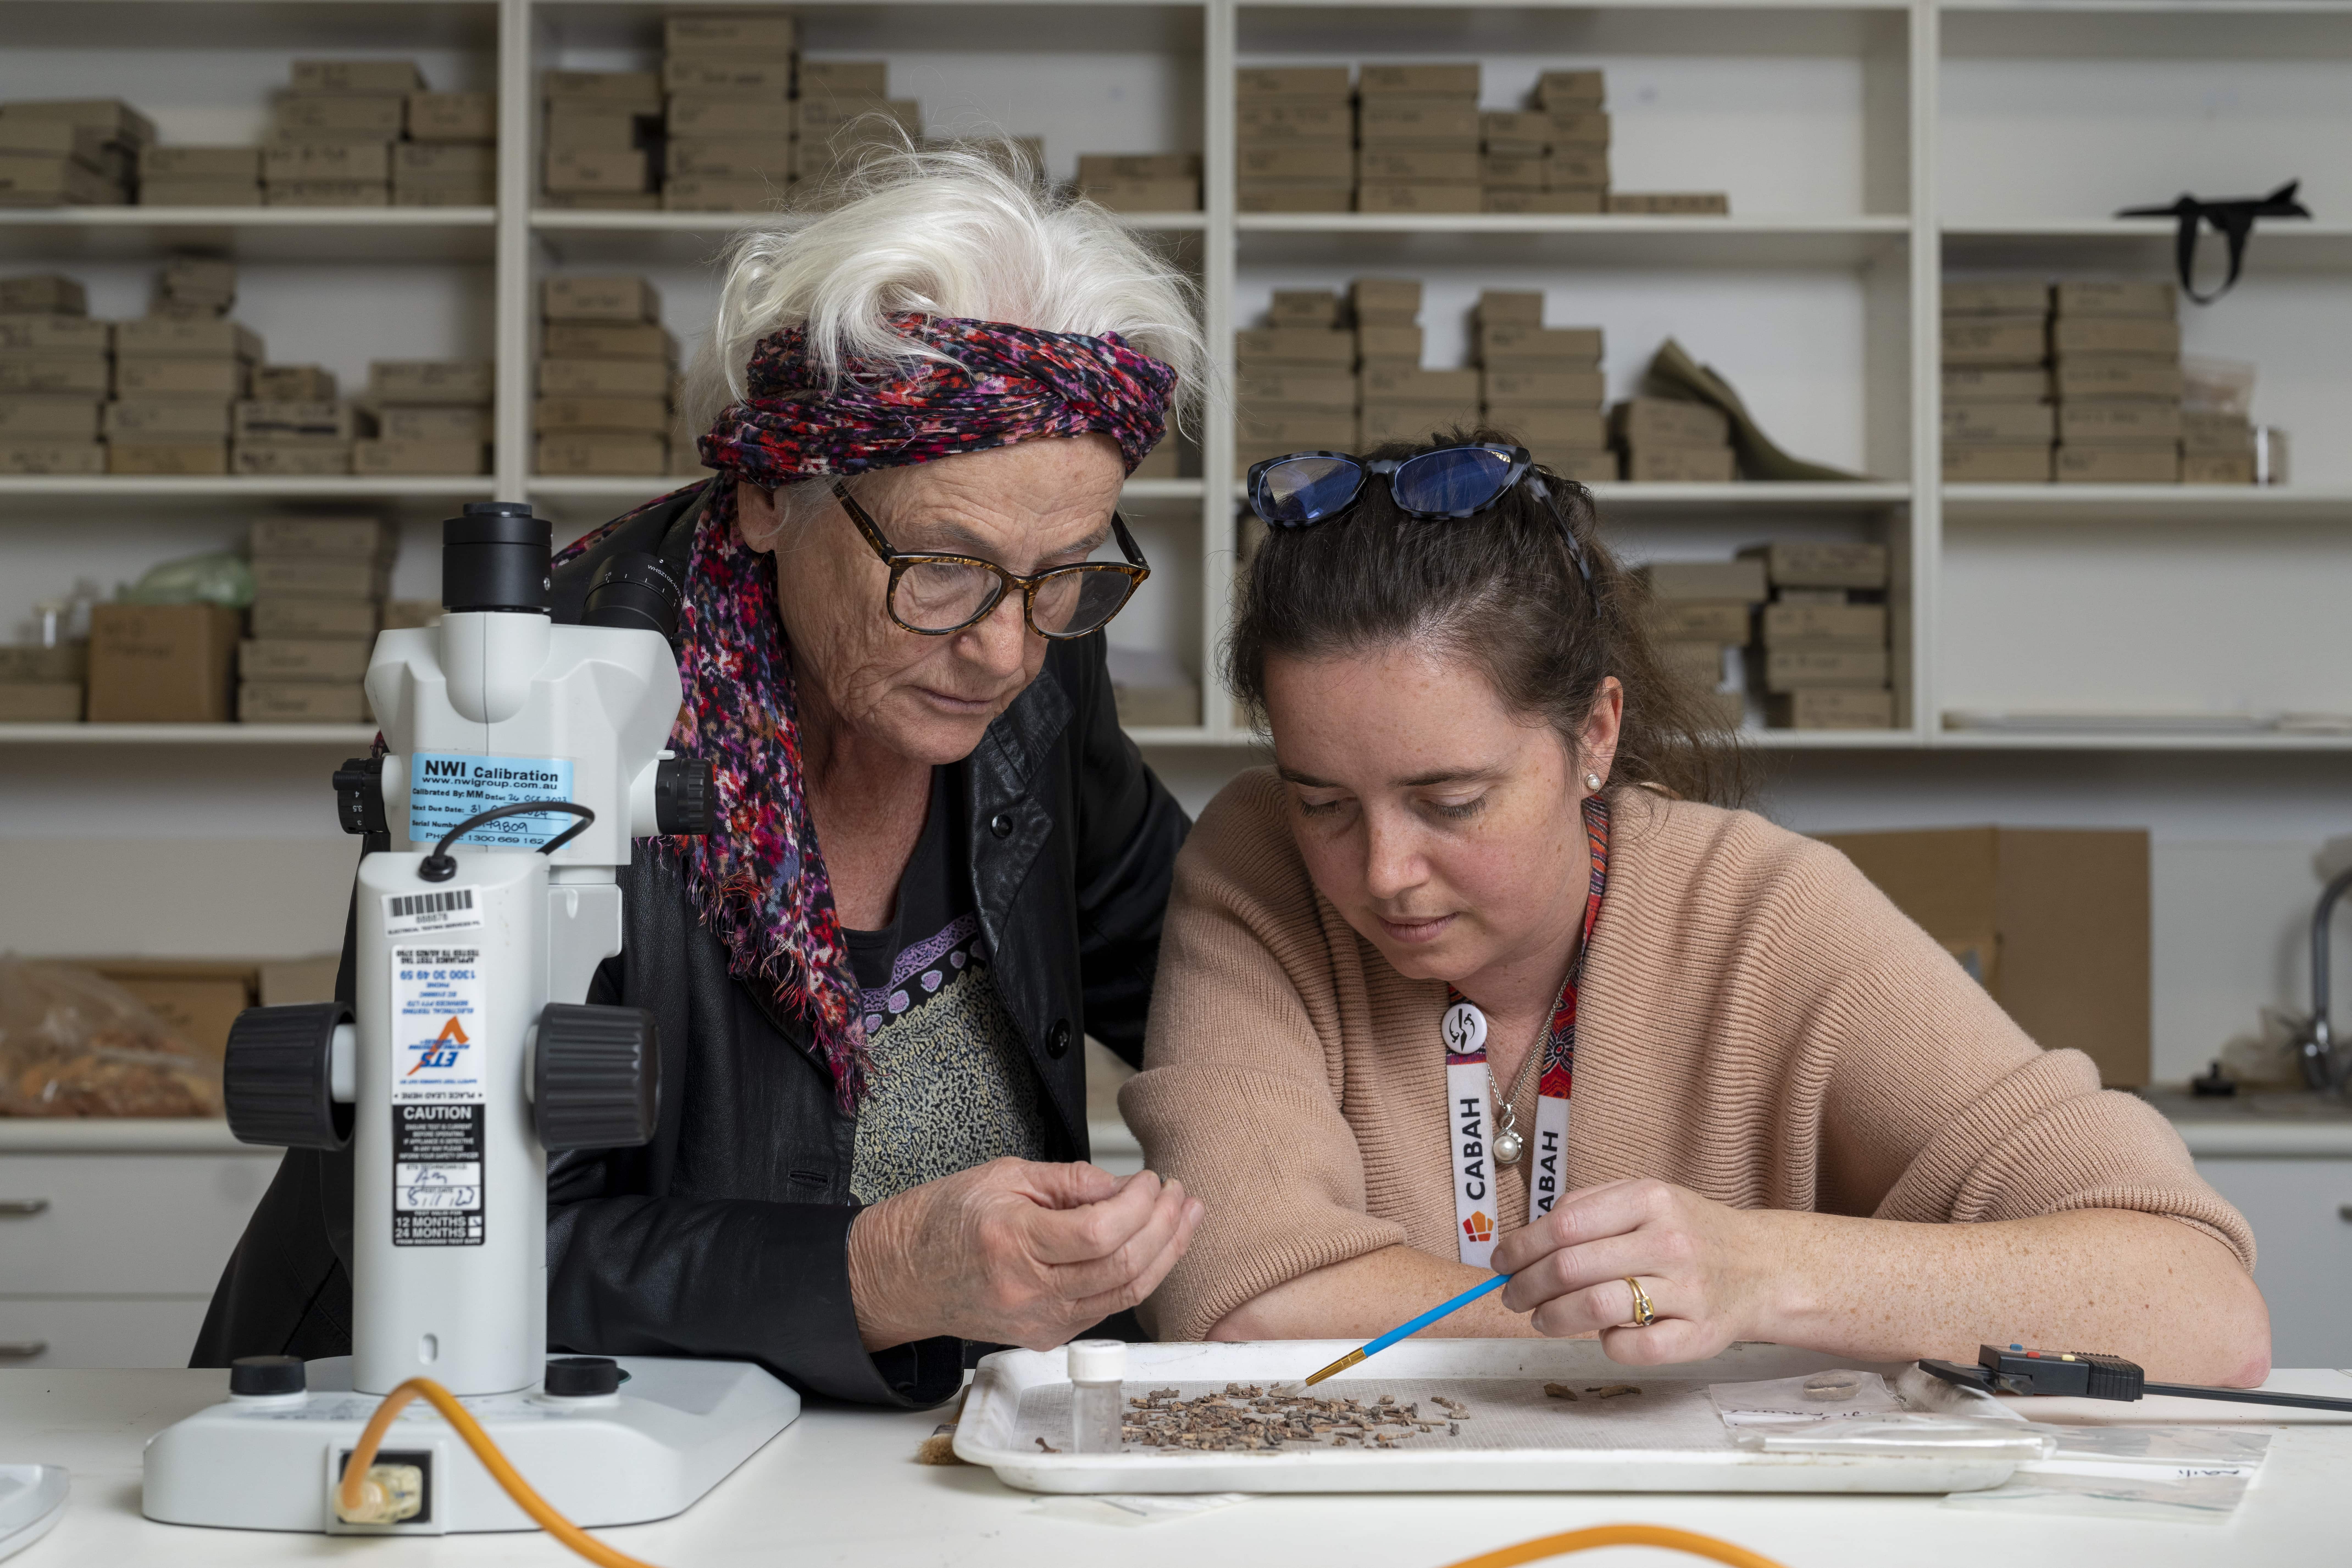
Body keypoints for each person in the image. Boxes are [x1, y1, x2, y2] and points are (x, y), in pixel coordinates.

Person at [196, 148, 1207, 1406]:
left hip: (917, 1436)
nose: (1003, 646)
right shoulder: (517, 709)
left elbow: (1199, 980)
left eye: (1063, 570)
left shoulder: (1039, 657)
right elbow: (458, 1221)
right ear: (771, 494)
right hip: (480, 1418)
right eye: (940, 567)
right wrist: (883, 1266)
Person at [1121, 435, 2269, 1384]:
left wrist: (1761, 1269)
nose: (1381, 871)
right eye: (1325, 800)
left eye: (1450, 800)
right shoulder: (1257, 863)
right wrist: (1699, 1339)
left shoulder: (1770, 909)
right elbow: (1252, 1312)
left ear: (1596, 734)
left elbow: (2203, 1306)